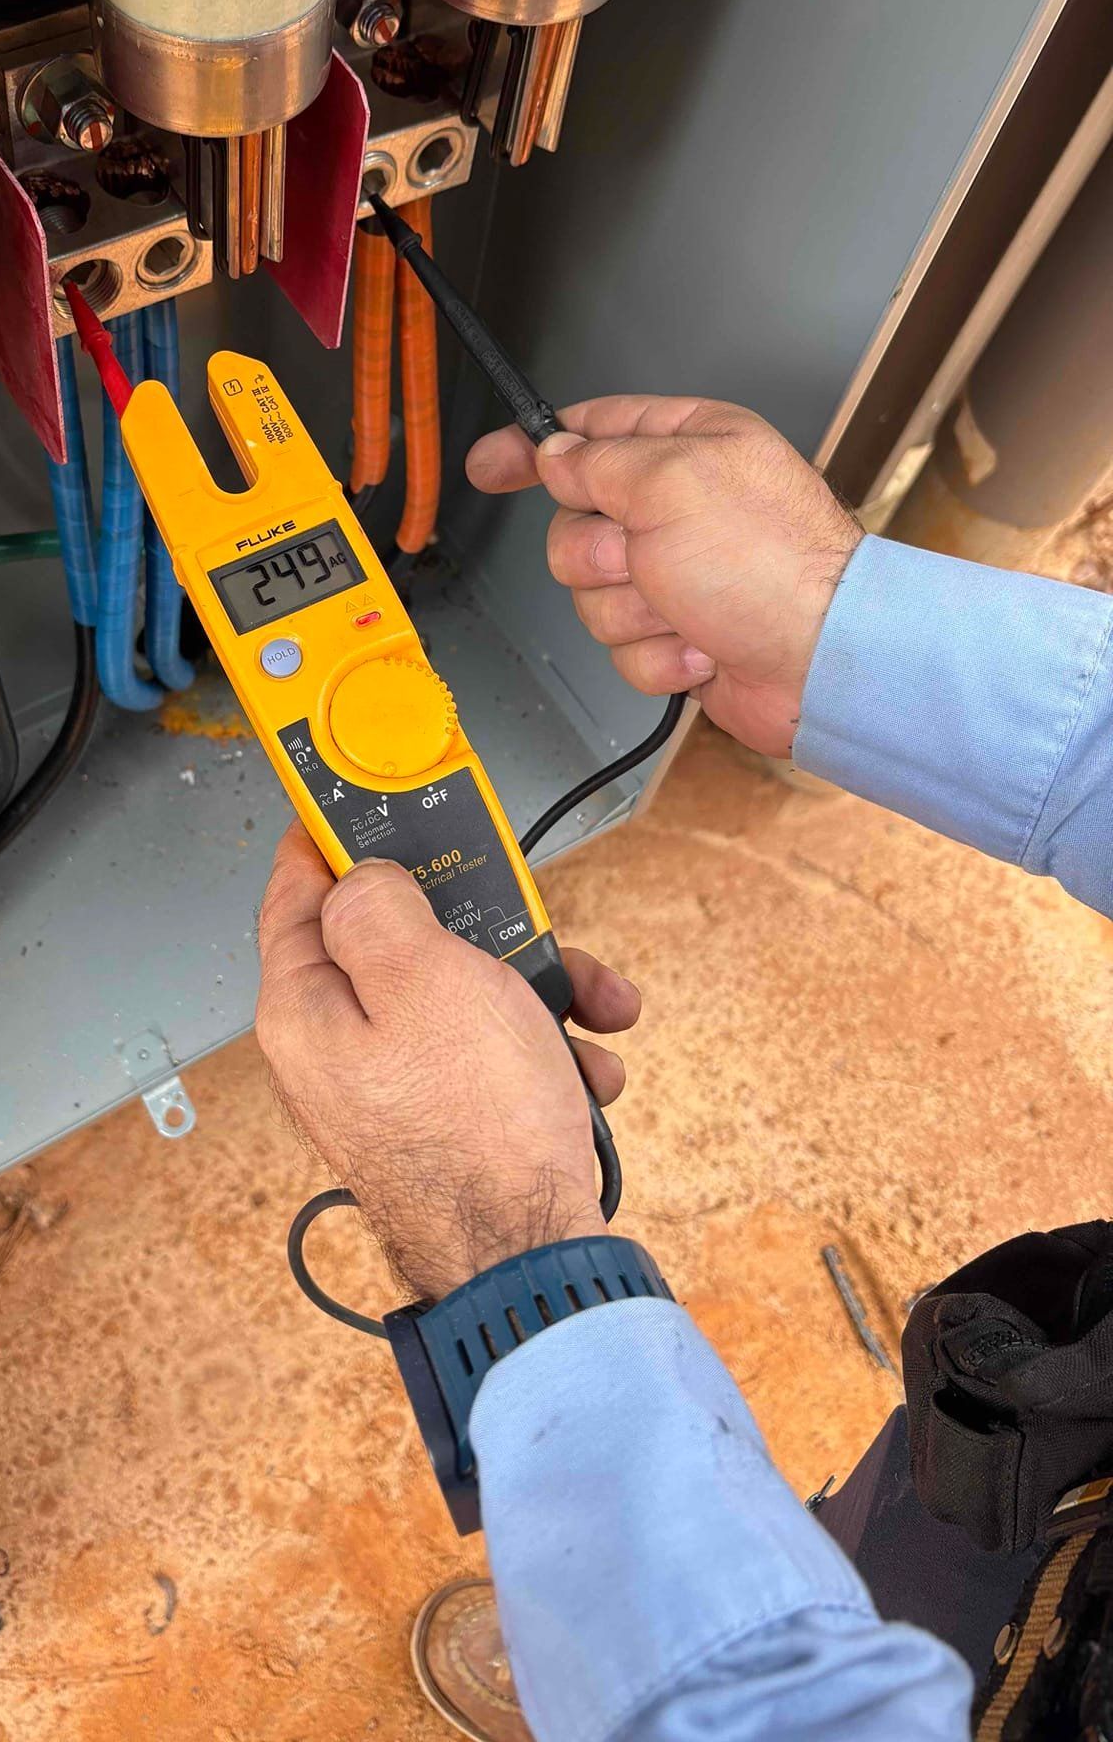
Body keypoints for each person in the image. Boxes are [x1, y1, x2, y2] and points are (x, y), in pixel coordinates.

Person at [253, 396, 1113, 1742]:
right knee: (911, 1556)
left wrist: (505, 1247)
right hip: (1066, 1446)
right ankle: (684, 1620)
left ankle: (620, 1656)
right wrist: (844, 633)